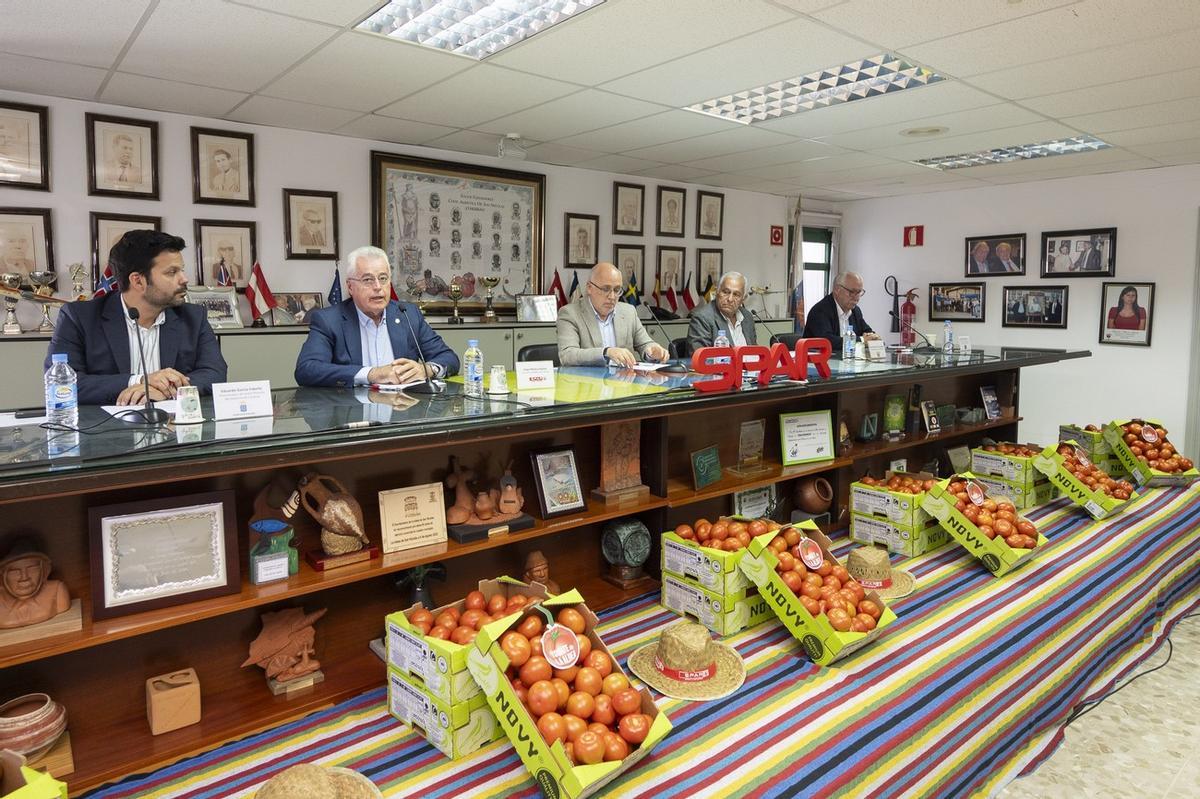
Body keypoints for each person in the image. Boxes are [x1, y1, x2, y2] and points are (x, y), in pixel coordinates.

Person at [45, 229, 227, 405]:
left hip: (174, 427)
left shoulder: (193, 317)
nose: (184, 279)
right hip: (106, 429)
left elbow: (215, 373)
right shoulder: (79, 317)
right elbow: (63, 384)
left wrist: (164, 388)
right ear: (138, 280)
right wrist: (139, 382)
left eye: (182, 270)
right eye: (172, 272)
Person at [294, 245, 458, 388]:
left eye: (383, 278)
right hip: (352, 415)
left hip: (404, 414)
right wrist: (372, 374)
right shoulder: (329, 320)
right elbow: (307, 370)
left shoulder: (408, 314)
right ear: (350, 287)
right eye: (368, 280)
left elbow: (450, 358)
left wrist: (426, 370)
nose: (378, 287)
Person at [556, 262, 668, 367]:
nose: (612, 296)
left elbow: (645, 344)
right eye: (606, 289)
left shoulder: (628, 312)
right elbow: (567, 355)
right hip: (588, 384)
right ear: (589, 288)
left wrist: (652, 351)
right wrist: (606, 352)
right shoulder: (569, 314)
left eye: (617, 290)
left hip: (625, 383)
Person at [0, 539, 70, 629]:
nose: (24, 578)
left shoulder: (57, 591)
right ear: (2, 577)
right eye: (15, 572)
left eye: (32, 569)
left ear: (44, 571)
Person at [802, 272, 878, 354]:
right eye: (852, 292)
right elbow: (827, 341)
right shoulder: (820, 311)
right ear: (837, 290)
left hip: (847, 361)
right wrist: (862, 340)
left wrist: (873, 337)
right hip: (819, 363)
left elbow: (866, 331)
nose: (856, 297)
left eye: (859, 292)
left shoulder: (855, 311)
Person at [687, 272, 756, 350]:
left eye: (736, 294)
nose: (730, 299)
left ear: (744, 298)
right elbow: (699, 357)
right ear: (717, 292)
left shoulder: (747, 317)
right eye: (726, 292)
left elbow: (754, 351)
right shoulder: (702, 318)